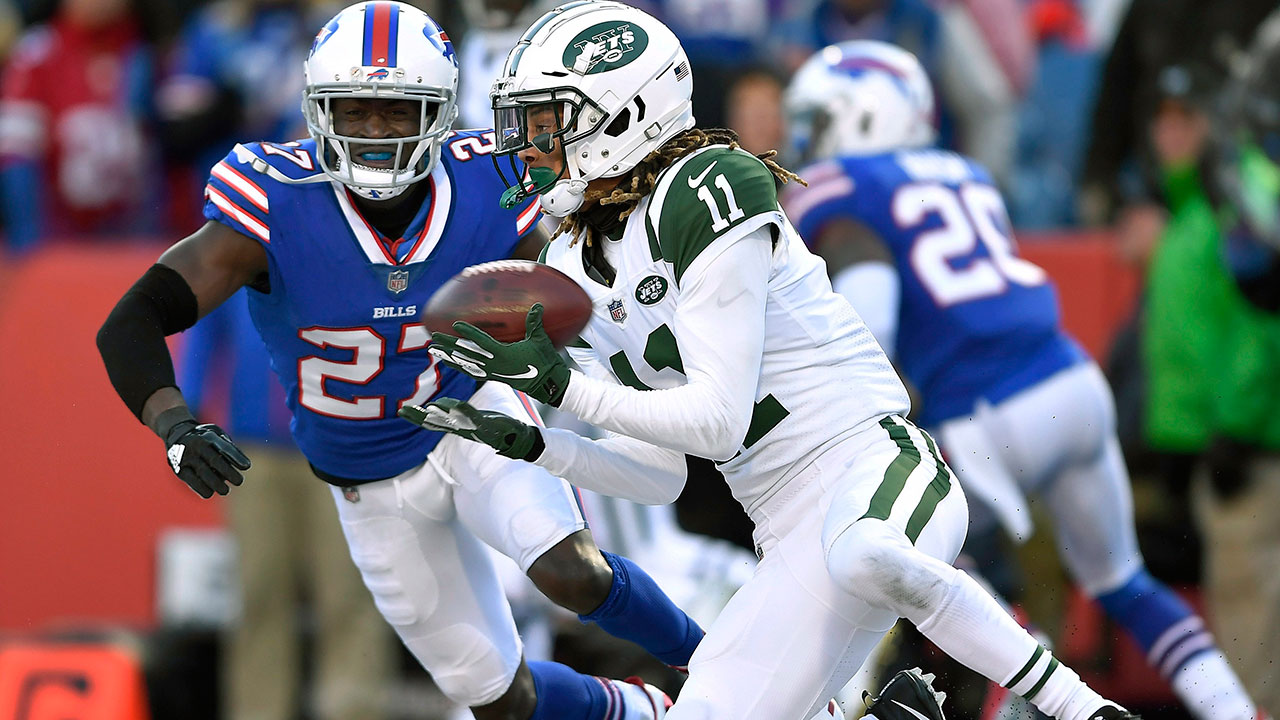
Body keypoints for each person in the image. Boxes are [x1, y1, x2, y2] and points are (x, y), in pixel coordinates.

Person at [406, 3, 1136, 719]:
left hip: (870, 464)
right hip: (783, 530)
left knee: (865, 554)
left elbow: (719, 423)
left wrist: (565, 386)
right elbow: (658, 473)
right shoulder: (571, 258)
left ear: (623, 115)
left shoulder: (705, 185)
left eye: (546, 123)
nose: (528, 147)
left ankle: (1082, 708)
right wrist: (542, 445)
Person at [94, 3, 712, 719]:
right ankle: (643, 712)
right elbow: (131, 321)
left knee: (570, 573)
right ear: (317, 111)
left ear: (443, 112)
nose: (377, 133)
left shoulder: (497, 180)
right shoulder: (274, 201)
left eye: (399, 112)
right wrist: (174, 424)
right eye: (354, 111)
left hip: (470, 417)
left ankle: (718, 668)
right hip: (366, 479)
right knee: (501, 702)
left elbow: (592, 240)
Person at [777, 39, 1272, 720]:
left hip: (986, 411)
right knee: (1122, 581)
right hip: (1071, 379)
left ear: (862, 115)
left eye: (818, 120)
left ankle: (1029, 683)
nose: (807, 140)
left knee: (897, 557)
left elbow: (872, 322)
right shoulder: (964, 173)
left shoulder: (842, 189)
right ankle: (1231, 711)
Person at [179, 292, 396, 720]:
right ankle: (258, 712)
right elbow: (205, 326)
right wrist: (186, 415)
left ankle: (354, 710)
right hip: (253, 453)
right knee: (259, 592)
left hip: (340, 448)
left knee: (348, 592)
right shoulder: (239, 237)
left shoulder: (339, 238)